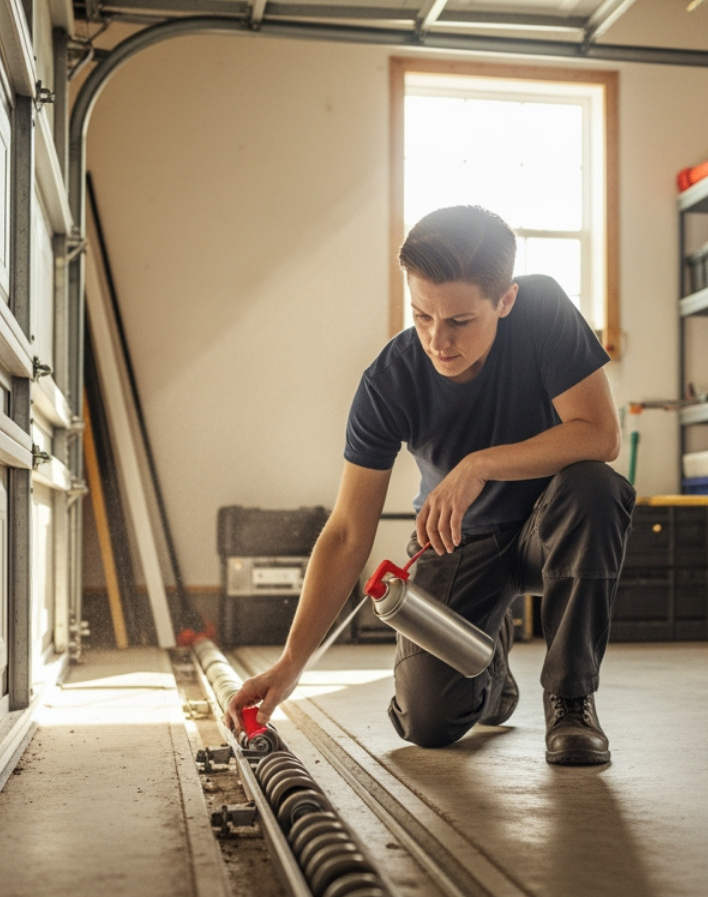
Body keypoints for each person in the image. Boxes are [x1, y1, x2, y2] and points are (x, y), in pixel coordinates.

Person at [226, 205, 635, 765]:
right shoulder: (389, 381)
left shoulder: (541, 309)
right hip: (459, 545)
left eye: (460, 321)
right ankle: (489, 658)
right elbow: (348, 531)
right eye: (421, 315)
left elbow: (601, 435)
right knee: (428, 723)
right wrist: (290, 664)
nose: (437, 340)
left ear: (506, 301)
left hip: (553, 532)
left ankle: (570, 700)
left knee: (596, 487)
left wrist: (479, 465)